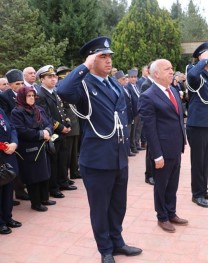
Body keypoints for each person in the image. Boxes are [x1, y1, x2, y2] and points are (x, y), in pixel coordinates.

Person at [56, 36, 142, 263]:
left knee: (118, 204)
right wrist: (85, 66)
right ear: (92, 59)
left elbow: (125, 111)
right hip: (97, 159)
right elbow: (63, 91)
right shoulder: (83, 85)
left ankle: (118, 241)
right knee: (100, 207)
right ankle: (105, 249)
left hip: (118, 156)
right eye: (102, 56)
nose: (108, 61)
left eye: (109, 56)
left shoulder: (113, 82)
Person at [138, 59, 187, 233]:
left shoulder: (173, 90)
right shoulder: (148, 96)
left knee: (173, 183)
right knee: (161, 185)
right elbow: (149, 129)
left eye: (172, 68)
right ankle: (162, 216)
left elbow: (178, 118)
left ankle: (171, 212)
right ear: (156, 73)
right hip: (162, 151)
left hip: (176, 147)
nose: (171, 71)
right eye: (167, 69)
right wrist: (156, 155)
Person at [185, 42, 208, 208]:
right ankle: (196, 194)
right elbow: (191, 78)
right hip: (197, 125)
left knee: (206, 160)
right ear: (200, 57)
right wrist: (202, 62)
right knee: (198, 161)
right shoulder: (193, 71)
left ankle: (203, 189)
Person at [11, 87, 55, 212]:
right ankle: (36, 203)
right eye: (28, 95)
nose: (31, 98)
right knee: (33, 177)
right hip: (29, 149)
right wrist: (40, 134)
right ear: (22, 97)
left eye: (32, 95)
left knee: (45, 173)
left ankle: (44, 198)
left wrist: (47, 130)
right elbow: (21, 130)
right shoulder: (17, 112)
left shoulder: (38, 109)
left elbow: (49, 122)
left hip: (43, 147)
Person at [36, 65, 76, 199]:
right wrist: (61, 127)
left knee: (63, 158)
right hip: (53, 133)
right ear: (42, 79)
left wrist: (68, 123)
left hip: (63, 132)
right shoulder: (40, 95)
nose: (53, 79)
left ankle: (63, 181)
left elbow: (63, 111)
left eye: (54, 77)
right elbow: (46, 116)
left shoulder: (55, 92)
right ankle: (53, 187)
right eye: (49, 77)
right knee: (54, 160)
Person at [0, 69, 30, 202]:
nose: (20, 86)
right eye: (17, 84)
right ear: (10, 84)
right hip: (11, 137)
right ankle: (18, 190)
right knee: (12, 167)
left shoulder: (24, 94)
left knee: (23, 165)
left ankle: (21, 188)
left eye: (21, 83)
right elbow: (7, 119)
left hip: (22, 135)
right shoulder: (4, 96)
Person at [56, 66, 82, 181]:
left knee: (74, 151)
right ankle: (65, 176)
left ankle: (74, 171)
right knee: (66, 153)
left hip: (75, 123)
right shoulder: (60, 89)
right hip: (68, 124)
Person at [0, 107, 21, 234]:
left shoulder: (1, 110)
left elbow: (11, 127)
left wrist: (14, 143)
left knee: (8, 188)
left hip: (9, 153)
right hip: (2, 153)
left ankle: (8, 217)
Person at [114, 70, 135, 157]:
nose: (125, 80)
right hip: (122, 116)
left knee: (128, 134)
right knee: (124, 135)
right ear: (118, 80)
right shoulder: (117, 89)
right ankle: (125, 151)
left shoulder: (124, 88)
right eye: (123, 79)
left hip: (128, 114)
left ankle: (127, 150)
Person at [126, 69, 140, 155]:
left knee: (137, 130)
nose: (133, 79)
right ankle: (132, 147)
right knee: (132, 132)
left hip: (139, 111)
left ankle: (136, 145)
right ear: (129, 78)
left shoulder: (137, 86)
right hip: (133, 112)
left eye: (135, 77)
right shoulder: (128, 87)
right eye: (132, 77)